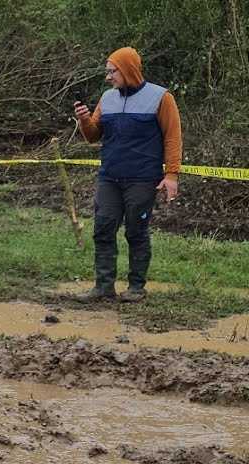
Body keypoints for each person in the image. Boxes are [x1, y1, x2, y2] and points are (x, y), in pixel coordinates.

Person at [74, 46, 180, 302]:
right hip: (110, 176)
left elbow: (173, 138)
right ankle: (103, 286)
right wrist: (84, 120)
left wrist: (172, 175)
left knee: (136, 230)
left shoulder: (160, 97)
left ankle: (136, 287)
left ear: (128, 70)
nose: (109, 77)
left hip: (143, 179)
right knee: (103, 229)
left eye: (113, 71)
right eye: (107, 72)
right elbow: (93, 136)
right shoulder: (107, 98)